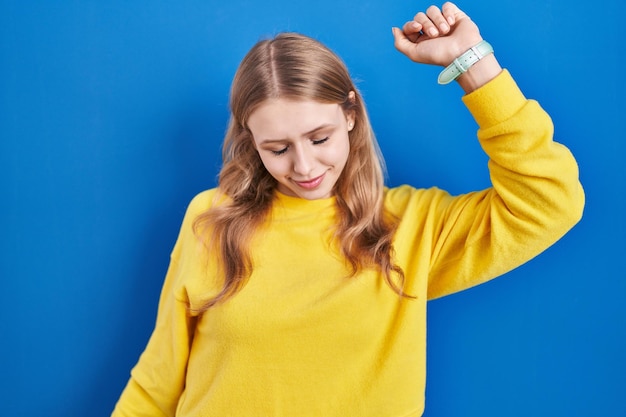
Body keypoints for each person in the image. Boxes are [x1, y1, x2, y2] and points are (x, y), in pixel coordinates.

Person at [111, 2, 584, 416]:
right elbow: (158, 380)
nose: (304, 166)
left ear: (350, 114)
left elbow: (550, 200)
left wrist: (474, 66)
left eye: (320, 138)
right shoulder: (211, 219)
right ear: (251, 142)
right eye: (277, 148)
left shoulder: (411, 228)